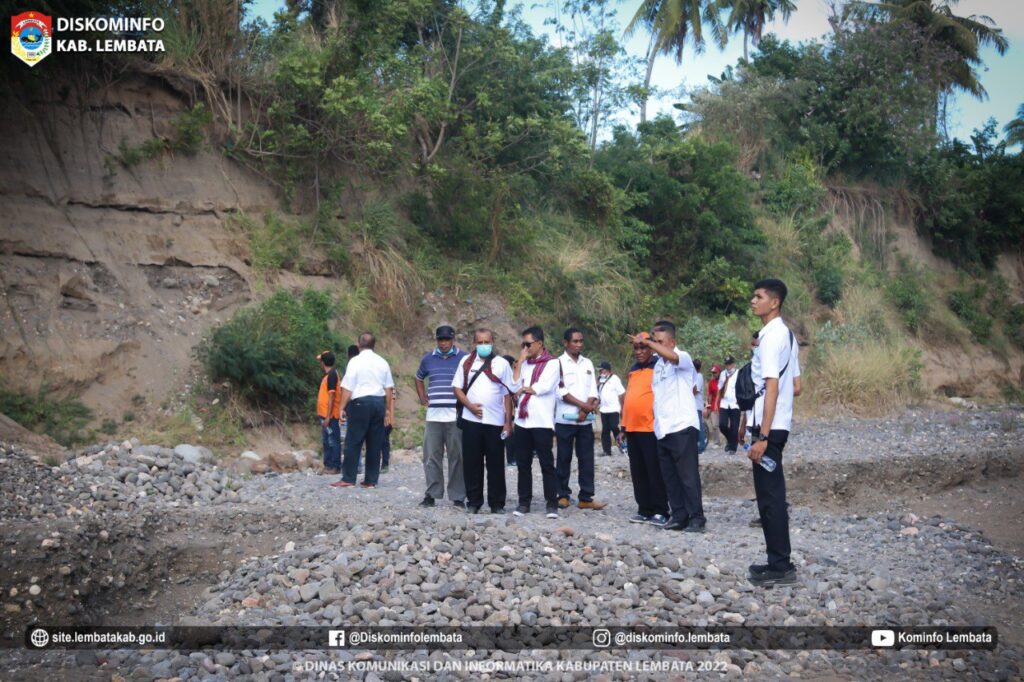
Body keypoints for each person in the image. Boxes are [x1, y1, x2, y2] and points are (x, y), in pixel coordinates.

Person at [747, 278, 801, 587]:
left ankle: (780, 566)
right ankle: (776, 561)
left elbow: (772, 386)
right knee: (772, 496)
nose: (753, 301)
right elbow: (797, 386)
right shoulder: (788, 335)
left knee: (770, 498)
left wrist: (762, 436)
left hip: (769, 427)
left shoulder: (770, 337)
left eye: (759, 296)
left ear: (774, 302)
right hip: (779, 423)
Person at [631, 321, 705, 533]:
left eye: (659, 342)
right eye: (654, 341)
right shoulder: (659, 366)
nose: (655, 345)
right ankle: (679, 515)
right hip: (663, 428)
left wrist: (648, 343)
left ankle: (697, 517)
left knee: (688, 476)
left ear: (672, 342)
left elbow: (673, 357)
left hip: (682, 426)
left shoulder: (683, 358)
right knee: (670, 477)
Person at [452, 328, 514, 514]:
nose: (484, 345)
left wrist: (507, 422)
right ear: (474, 343)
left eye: (487, 342)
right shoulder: (466, 362)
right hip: (471, 420)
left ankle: (497, 503)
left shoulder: (502, 364)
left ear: (492, 342)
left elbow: (508, 395)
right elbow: (457, 388)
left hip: (495, 421)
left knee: (496, 464)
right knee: (472, 463)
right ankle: (474, 502)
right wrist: (470, 406)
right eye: (480, 342)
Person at [331, 332, 394, 489]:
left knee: (353, 440)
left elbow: (348, 387)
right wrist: (387, 410)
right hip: (378, 403)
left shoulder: (355, 361)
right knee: (374, 442)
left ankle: (348, 478)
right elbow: (389, 389)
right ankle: (371, 480)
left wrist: (341, 407)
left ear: (359, 344)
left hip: (360, 403)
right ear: (374, 345)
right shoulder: (383, 362)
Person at [618, 333, 668, 526]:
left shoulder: (659, 367)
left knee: (654, 471)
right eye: (636, 348)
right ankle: (644, 509)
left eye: (643, 347)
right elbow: (630, 398)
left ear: (651, 347)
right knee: (638, 472)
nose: (639, 352)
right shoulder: (633, 370)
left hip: (650, 427)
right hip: (632, 427)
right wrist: (623, 426)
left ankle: (660, 510)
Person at [511, 326, 561, 519]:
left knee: (546, 463)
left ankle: (552, 503)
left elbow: (544, 387)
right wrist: (520, 362)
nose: (525, 348)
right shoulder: (524, 364)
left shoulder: (552, 363)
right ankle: (524, 502)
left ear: (540, 343)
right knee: (523, 464)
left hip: (542, 421)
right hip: (522, 421)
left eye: (528, 344)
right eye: (523, 344)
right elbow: (514, 385)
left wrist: (525, 388)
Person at [415, 325, 468, 508]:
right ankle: (431, 494)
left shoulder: (464, 358)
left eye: (447, 339)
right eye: (440, 340)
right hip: (433, 416)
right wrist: (422, 396)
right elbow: (419, 377)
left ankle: (458, 496)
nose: (444, 343)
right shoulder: (428, 358)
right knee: (431, 457)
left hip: (455, 416)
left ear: (453, 340)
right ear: (436, 340)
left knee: (457, 457)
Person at [554, 328, 606, 511]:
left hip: (585, 421)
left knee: (586, 459)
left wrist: (586, 408)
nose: (579, 344)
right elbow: (560, 391)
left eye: (581, 341)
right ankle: (562, 495)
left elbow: (593, 389)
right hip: (565, 420)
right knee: (563, 458)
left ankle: (586, 497)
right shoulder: (557, 363)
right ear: (566, 343)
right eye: (575, 341)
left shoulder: (587, 363)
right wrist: (583, 406)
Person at [316, 350, 341, 475]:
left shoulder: (331, 375)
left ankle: (335, 466)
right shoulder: (329, 375)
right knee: (327, 440)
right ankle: (328, 465)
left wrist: (328, 416)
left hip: (330, 416)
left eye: (320, 361)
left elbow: (332, 396)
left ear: (323, 362)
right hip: (326, 415)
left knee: (333, 441)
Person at [597, 361, 625, 457]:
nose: (601, 372)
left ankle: (622, 446)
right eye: (599, 371)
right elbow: (599, 394)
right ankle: (607, 451)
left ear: (608, 370)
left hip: (614, 408)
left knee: (614, 427)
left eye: (602, 370)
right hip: (603, 409)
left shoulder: (615, 379)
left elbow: (621, 393)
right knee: (605, 430)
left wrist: (622, 407)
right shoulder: (600, 380)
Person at [718, 356, 741, 453]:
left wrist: (740, 400)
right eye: (727, 364)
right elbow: (719, 388)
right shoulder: (723, 374)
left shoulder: (739, 373)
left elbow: (742, 387)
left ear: (734, 364)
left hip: (735, 403)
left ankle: (732, 447)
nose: (728, 366)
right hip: (724, 403)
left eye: (730, 364)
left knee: (734, 427)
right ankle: (731, 440)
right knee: (722, 425)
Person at [502, 354, 519, 468]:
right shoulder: (509, 377)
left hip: (503, 409)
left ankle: (510, 459)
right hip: (508, 409)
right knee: (510, 435)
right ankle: (511, 459)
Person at [706, 364, 722, 447]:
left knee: (724, 425)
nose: (714, 374)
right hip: (713, 406)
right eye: (713, 372)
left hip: (723, 405)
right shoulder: (711, 382)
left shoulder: (723, 381)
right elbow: (709, 395)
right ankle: (717, 442)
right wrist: (708, 406)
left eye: (715, 372)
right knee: (715, 425)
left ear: (719, 372)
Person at [694, 359, 707, 455]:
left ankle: (701, 446)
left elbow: (695, 390)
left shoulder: (699, 376)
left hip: (697, 405)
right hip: (693, 406)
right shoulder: (694, 376)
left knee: (699, 426)